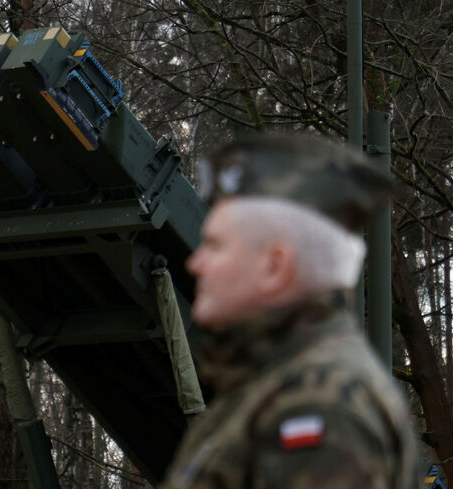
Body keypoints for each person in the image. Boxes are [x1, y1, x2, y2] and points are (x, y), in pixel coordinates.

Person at [159, 133, 420, 489]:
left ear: (274, 266)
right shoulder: (271, 385)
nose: (196, 263)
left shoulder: (320, 408)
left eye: (216, 246)